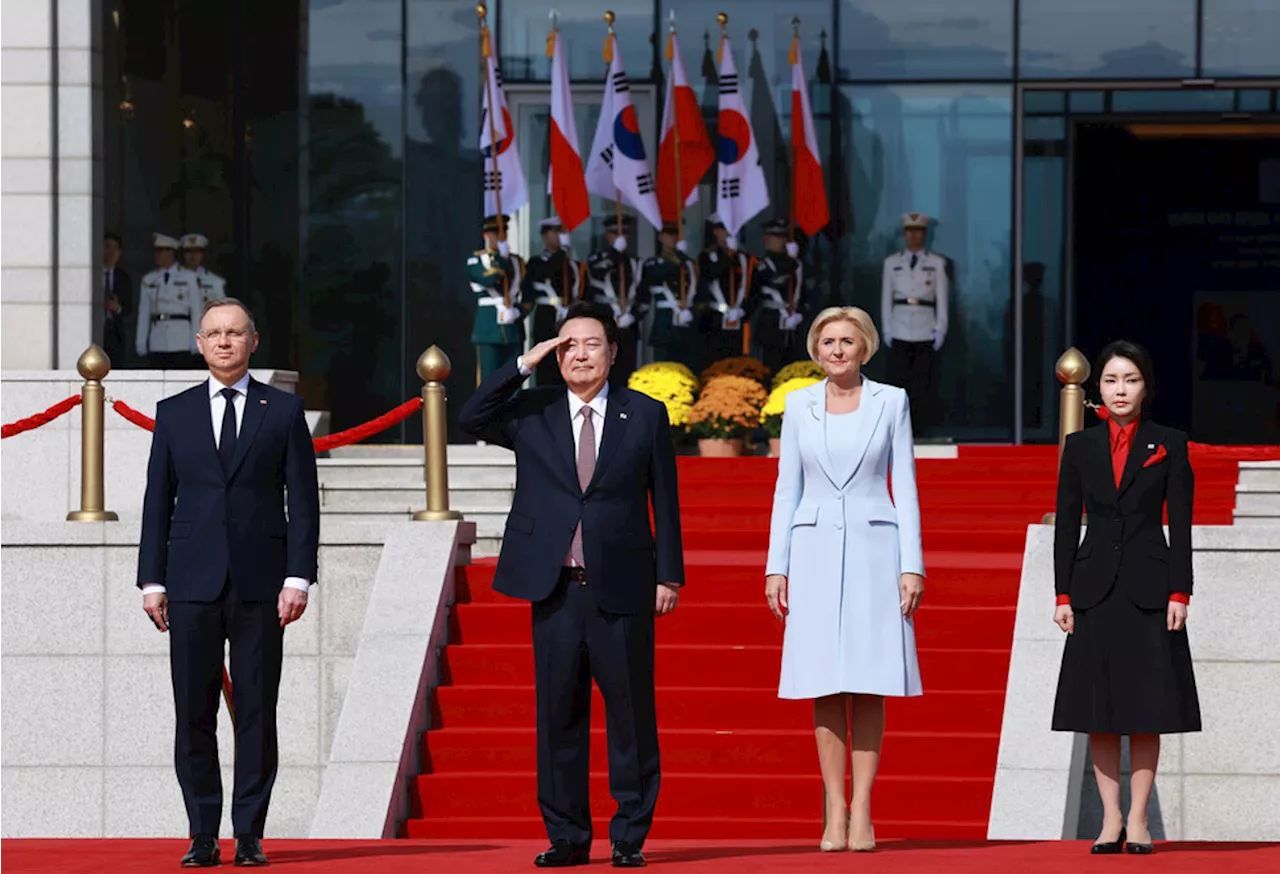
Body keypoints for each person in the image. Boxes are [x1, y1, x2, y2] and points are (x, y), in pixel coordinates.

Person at [458, 301, 685, 869]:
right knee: (559, 714)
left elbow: (666, 502)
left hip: (625, 583)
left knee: (631, 715)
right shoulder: (531, 412)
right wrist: (523, 363)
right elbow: (470, 416)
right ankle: (567, 836)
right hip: (554, 587)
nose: (579, 354)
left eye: (591, 344)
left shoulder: (645, 414)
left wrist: (669, 575)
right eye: (568, 345)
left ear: (612, 352)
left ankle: (629, 835)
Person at [137, 297, 320, 868]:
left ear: (253, 341)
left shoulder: (284, 412)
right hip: (190, 582)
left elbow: (304, 502)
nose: (224, 342)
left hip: (263, 584)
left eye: (234, 333)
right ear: (198, 343)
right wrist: (151, 581)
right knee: (193, 711)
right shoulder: (174, 413)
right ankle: (201, 832)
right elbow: (156, 502)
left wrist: (299, 577)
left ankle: (249, 832)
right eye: (214, 333)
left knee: (256, 709)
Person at [763, 306, 924, 854]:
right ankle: (834, 808)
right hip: (811, 552)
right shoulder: (797, 404)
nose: (836, 349)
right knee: (823, 682)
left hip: (878, 549)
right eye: (827, 340)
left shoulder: (892, 401)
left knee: (869, 679)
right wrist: (776, 564)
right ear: (815, 348)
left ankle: (864, 812)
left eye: (846, 341)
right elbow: (788, 487)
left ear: (865, 348)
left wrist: (912, 564)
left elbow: (905, 482)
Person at [1051, 340, 1201, 856]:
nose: (1120, 389)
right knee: (1097, 710)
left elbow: (1180, 526)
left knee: (1145, 708)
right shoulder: (1080, 446)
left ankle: (1139, 820)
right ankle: (1109, 820)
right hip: (1093, 590)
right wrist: (1062, 592)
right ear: (1098, 388)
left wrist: (1181, 590)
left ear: (1145, 387)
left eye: (1131, 380)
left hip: (1150, 591)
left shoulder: (1169, 443)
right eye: (1112, 380)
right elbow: (1067, 524)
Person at [881, 213, 949, 434]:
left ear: (925, 234)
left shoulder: (936, 263)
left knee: (923, 382)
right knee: (898, 381)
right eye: (909, 231)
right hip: (899, 326)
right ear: (904, 234)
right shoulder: (892, 263)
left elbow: (942, 297)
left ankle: (921, 428)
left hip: (925, 327)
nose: (913, 236)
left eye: (918, 231)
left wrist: (941, 328)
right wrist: (887, 328)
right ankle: (898, 428)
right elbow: (886, 298)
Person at [584, 214, 642, 388]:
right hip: (605, 321)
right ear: (608, 235)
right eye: (615, 233)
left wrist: (634, 315)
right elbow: (597, 276)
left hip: (628, 322)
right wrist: (615, 255)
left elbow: (643, 295)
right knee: (604, 368)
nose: (621, 237)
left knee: (627, 369)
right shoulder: (597, 259)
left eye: (624, 233)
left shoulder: (635, 263)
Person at [522, 216, 580, 387]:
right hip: (547, 315)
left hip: (568, 314)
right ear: (545, 235)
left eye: (562, 232)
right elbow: (547, 271)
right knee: (546, 363)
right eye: (555, 232)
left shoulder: (572, 264)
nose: (559, 236)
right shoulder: (536, 262)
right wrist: (563, 251)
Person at [468, 214, 526, 384]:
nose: (500, 237)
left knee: (514, 380)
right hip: (489, 328)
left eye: (503, 232)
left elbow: (529, 296)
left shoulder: (518, 262)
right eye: (495, 233)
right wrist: (502, 258)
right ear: (486, 236)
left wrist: (518, 312)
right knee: (489, 381)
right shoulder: (476, 260)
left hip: (513, 329)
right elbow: (489, 280)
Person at [136, 233, 200, 369]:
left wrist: (196, 342)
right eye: (156, 251)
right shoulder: (149, 279)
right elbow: (144, 313)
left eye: (161, 251)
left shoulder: (189, 277)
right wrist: (141, 342)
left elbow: (196, 311)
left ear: (171, 253)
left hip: (181, 338)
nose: (157, 255)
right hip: (157, 338)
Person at [696, 213, 751, 370]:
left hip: (737, 318)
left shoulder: (744, 259)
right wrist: (728, 256)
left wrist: (744, 311)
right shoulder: (707, 256)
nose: (727, 233)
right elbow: (712, 273)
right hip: (714, 318)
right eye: (723, 229)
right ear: (715, 232)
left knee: (737, 363)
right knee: (714, 363)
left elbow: (753, 290)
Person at [750, 218, 806, 374]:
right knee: (771, 367)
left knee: (794, 367)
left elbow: (802, 291)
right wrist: (792, 260)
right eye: (776, 236)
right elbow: (776, 277)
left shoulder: (795, 263)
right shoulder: (763, 264)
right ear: (767, 238)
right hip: (772, 323)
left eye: (783, 237)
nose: (781, 241)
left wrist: (800, 313)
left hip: (793, 322)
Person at [638, 222, 697, 368]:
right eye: (669, 235)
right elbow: (660, 275)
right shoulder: (653, 263)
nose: (673, 238)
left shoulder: (690, 264)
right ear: (660, 237)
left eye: (676, 235)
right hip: (664, 324)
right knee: (664, 368)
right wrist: (680, 259)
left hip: (687, 322)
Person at [103, 232, 133, 367]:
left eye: (115, 248)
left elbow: (129, 308)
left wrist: (117, 307)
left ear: (119, 253)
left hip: (116, 333)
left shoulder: (123, 277)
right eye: (107, 247)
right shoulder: (92, 275)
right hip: (96, 331)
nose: (111, 252)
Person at [182, 233, 228, 307]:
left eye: (197, 251)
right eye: (188, 251)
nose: (192, 255)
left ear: (203, 254)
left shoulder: (215, 281)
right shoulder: (174, 278)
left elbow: (221, 307)